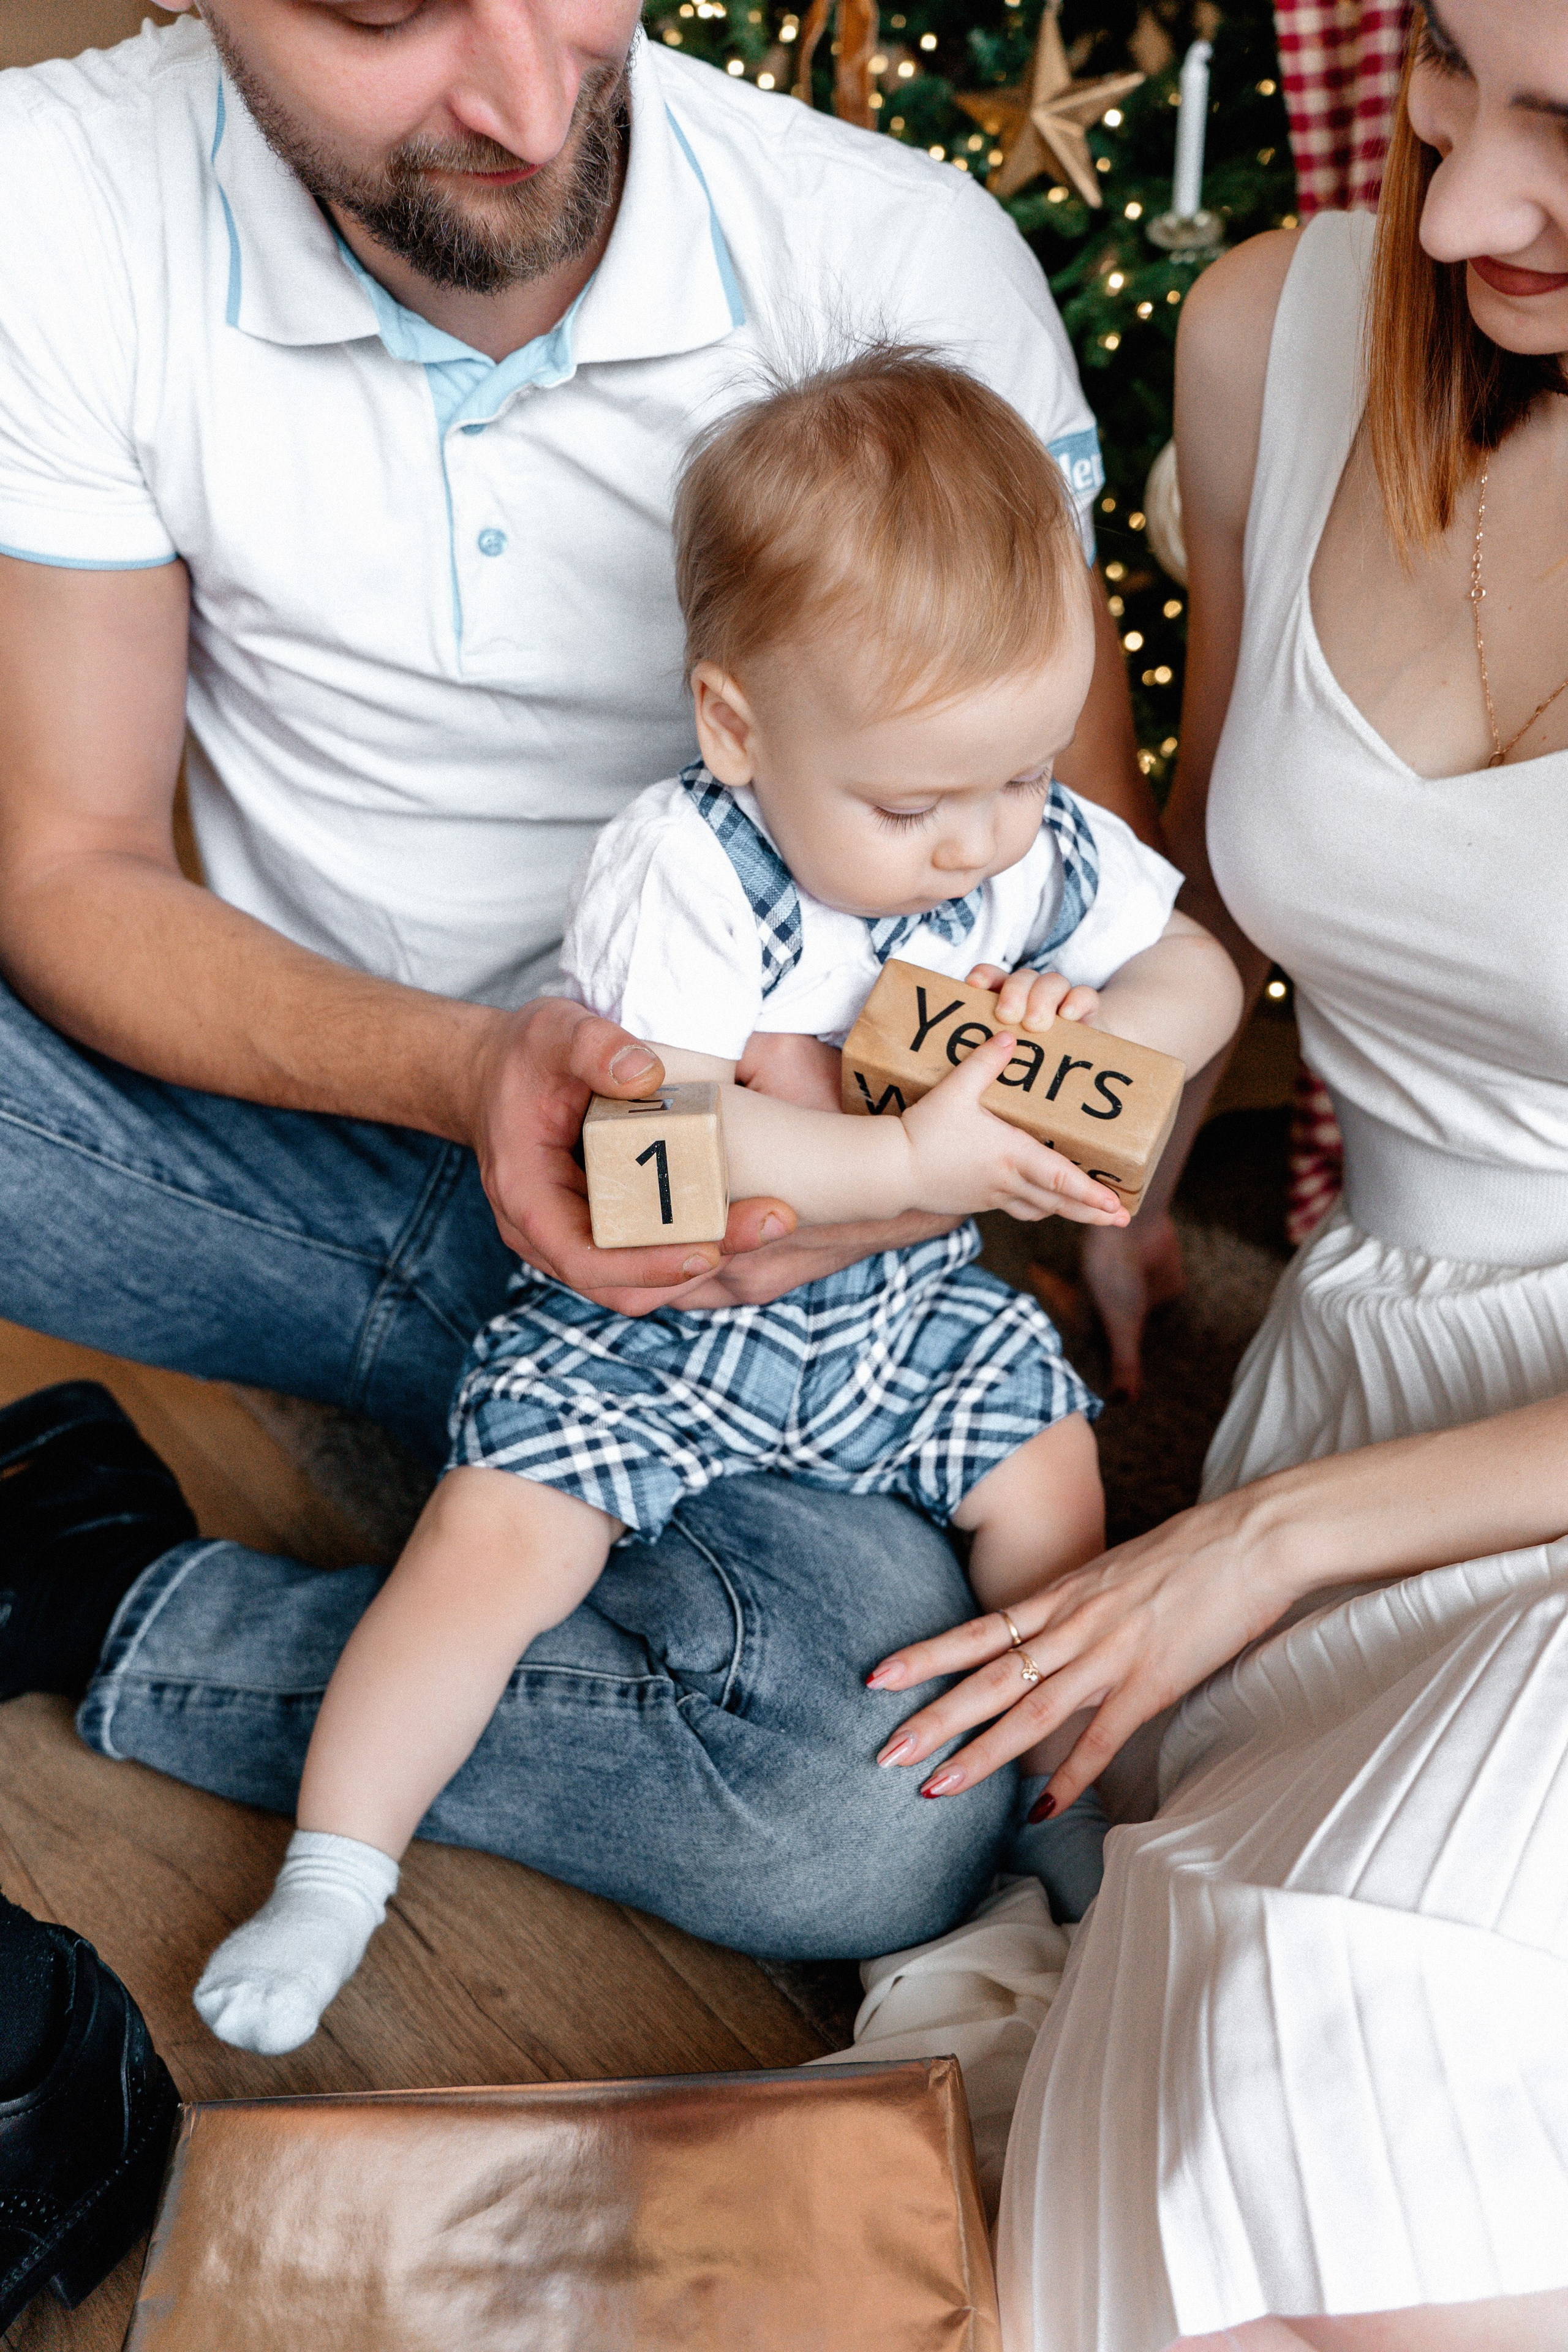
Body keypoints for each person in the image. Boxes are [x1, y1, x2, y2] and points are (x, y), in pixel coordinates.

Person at [0, 0, 1159, 1958]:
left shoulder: (894, 264)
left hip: (780, 1252)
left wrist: (1019, 1154)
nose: (531, 106)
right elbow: (72, 865)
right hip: (323, 1127)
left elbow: (1067, 929)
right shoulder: (61, 196)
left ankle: (130, 1597)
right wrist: (473, 1075)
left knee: (858, 1809)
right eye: (385, 13)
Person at [190, 350, 1242, 2054]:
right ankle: (335, 1863)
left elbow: (1196, 970)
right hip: (663, 1313)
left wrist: (1101, 1042)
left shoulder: (1020, 838)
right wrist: (909, 1162)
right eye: (916, 805)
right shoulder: (684, 870)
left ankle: (1073, 1827)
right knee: (490, 1549)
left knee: (1055, 1505)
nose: (983, 846)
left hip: (902, 1320)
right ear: (737, 725)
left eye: (1024, 780)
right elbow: (661, 1138)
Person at [842, 2, 1568, 2340]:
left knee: (1369, 2026)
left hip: (1392, 1510)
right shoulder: (1289, 333)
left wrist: (1245, 1547)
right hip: (1378, 1386)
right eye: (1452, 70)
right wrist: (1079, 1125)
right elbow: (1236, 917)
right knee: (1234, 2059)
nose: (1453, 205)